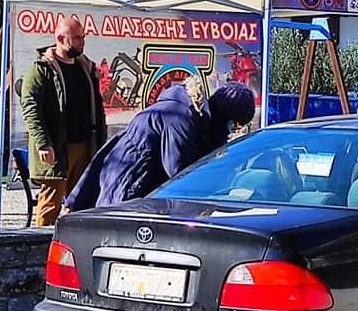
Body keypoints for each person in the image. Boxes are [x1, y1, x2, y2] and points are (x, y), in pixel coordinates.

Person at [64, 78, 256, 213]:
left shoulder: (186, 116)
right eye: (235, 124)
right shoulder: (179, 118)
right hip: (128, 192)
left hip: (126, 188)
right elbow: (180, 175)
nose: (232, 131)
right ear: (225, 115)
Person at [19, 17, 106, 226]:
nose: (81, 42)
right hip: (57, 149)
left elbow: (97, 107)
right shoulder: (40, 70)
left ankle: (75, 247)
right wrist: (43, 143)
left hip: (85, 145)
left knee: (82, 202)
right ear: (59, 38)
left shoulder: (86, 68)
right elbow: (31, 110)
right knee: (50, 204)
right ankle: (39, 247)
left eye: (83, 37)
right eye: (76, 38)